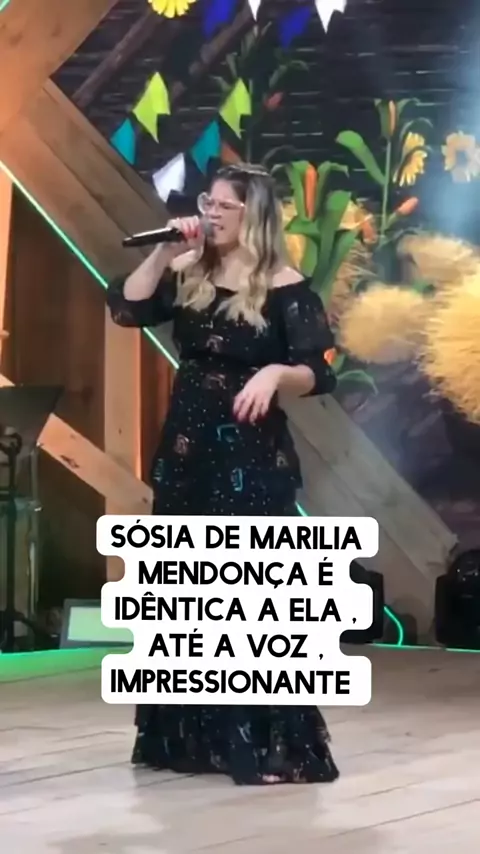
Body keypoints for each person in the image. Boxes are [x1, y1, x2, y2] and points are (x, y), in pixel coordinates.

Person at [106, 163, 339, 786]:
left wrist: (274, 373)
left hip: (251, 455)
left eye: (223, 206)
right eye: (207, 202)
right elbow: (127, 309)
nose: (210, 213)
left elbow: (318, 370)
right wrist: (164, 250)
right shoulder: (191, 270)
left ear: (252, 214)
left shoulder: (287, 287)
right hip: (187, 450)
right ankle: (191, 741)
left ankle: (262, 746)